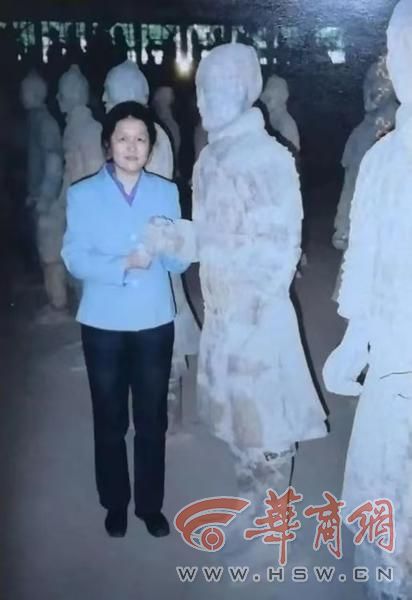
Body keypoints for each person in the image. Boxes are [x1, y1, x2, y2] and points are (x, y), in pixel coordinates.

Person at [61, 102, 189, 538]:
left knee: (152, 419)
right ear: (108, 144)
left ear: (150, 146)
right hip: (103, 323)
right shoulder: (82, 194)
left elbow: (177, 263)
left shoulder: (165, 191)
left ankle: (149, 506)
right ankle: (115, 503)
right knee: (110, 417)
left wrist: (175, 246)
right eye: (123, 138)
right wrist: (123, 264)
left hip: (153, 320)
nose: (132, 147)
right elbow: (74, 257)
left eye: (140, 139)